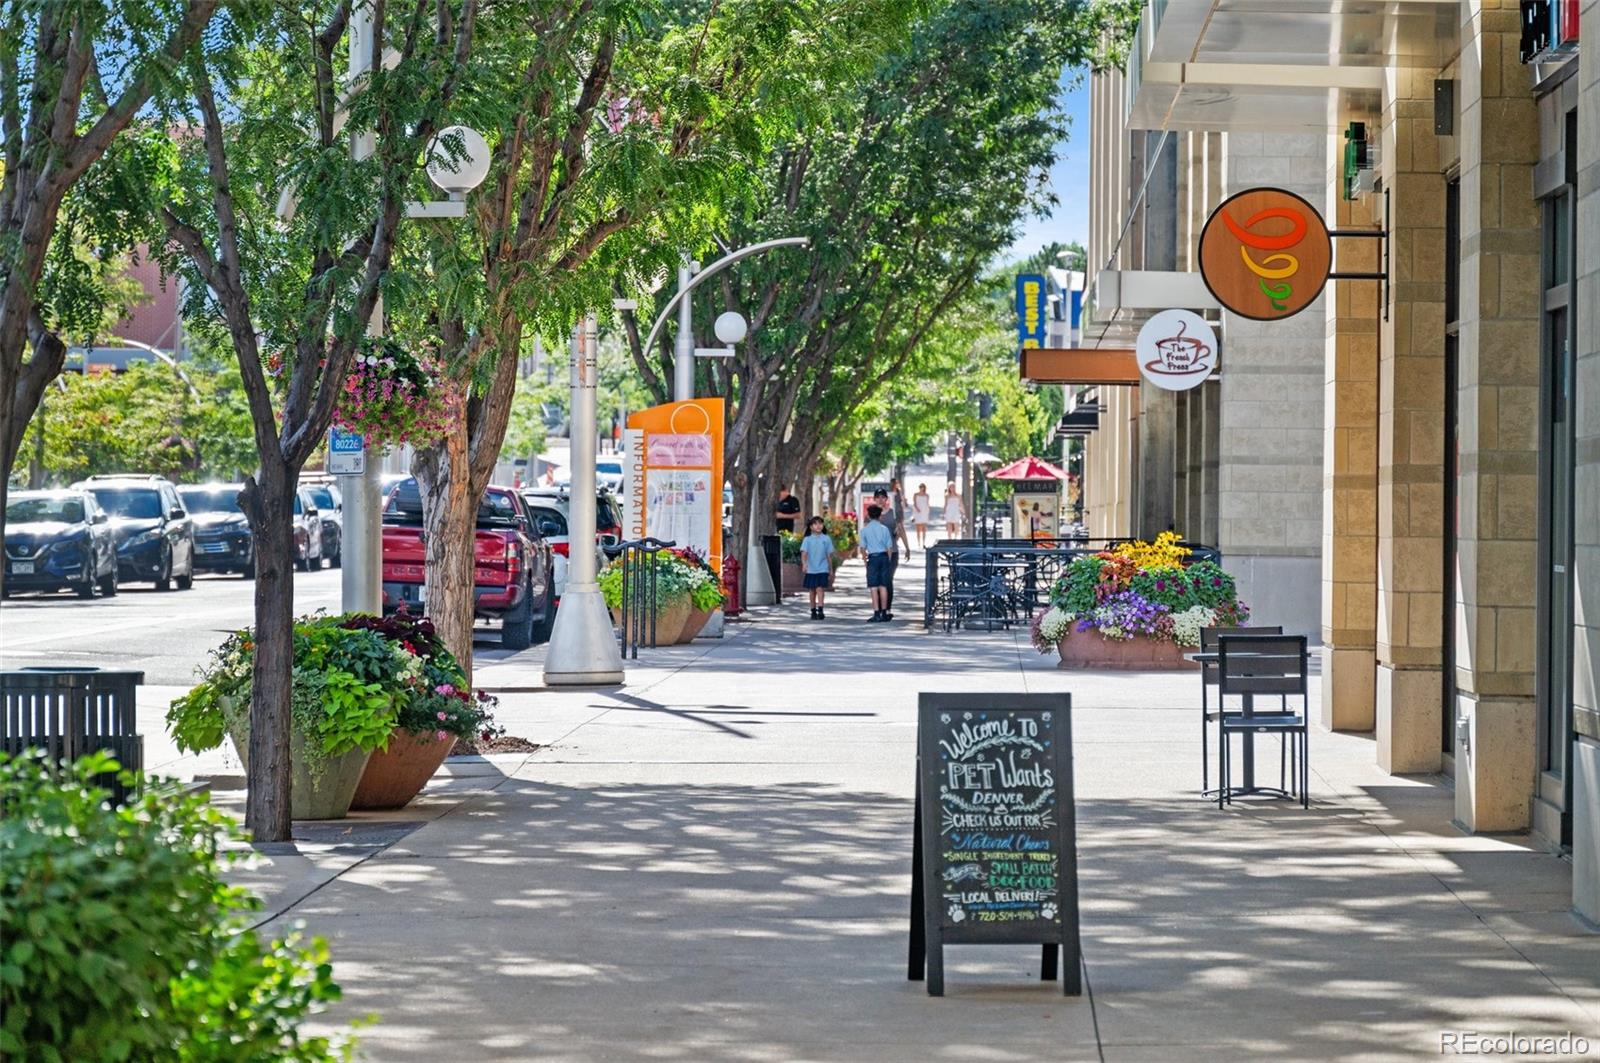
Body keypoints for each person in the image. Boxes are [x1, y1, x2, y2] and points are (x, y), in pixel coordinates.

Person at [860, 504, 894, 622]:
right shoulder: (884, 529)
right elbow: (889, 547)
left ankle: (876, 613)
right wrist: (888, 560)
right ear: (880, 516)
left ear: (868, 516)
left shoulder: (864, 530)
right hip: (883, 557)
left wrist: (865, 561)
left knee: (873, 587)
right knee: (883, 586)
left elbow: (863, 549)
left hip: (872, 558)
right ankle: (884, 612)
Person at [799, 515, 837, 619]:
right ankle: (813, 610)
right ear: (811, 527)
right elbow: (804, 553)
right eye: (815, 524)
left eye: (820, 523)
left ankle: (820, 609)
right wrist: (804, 564)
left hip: (822, 568)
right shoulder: (807, 539)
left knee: (820, 589)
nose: (818, 526)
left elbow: (829, 555)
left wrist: (831, 569)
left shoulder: (826, 538)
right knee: (812, 591)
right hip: (811, 569)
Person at [873, 488, 900, 614]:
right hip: (876, 552)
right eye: (878, 497)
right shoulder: (872, 514)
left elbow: (898, 530)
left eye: (883, 497)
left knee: (888, 579)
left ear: (886, 499)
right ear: (874, 499)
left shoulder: (892, 513)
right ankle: (879, 608)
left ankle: (887, 608)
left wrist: (906, 546)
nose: (880, 499)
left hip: (892, 551)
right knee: (878, 580)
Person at [890, 479, 912, 558]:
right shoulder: (889, 492)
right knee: (898, 529)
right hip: (892, 513)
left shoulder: (899, 491)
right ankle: (894, 544)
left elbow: (902, 502)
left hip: (899, 512)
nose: (897, 484)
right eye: (896, 483)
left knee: (900, 529)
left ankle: (898, 544)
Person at [911, 483, 932, 548]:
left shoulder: (927, 495)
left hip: (924, 512)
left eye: (922, 487)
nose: (921, 488)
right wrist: (917, 509)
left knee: (924, 528)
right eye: (920, 487)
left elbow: (927, 503)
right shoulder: (915, 495)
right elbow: (914, 503)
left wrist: (928, 511)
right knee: (918, 528)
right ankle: (918, 543)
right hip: (917, 512)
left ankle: (923, 542)